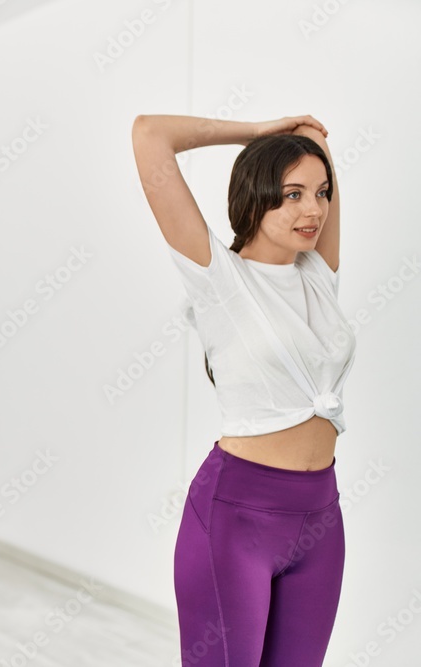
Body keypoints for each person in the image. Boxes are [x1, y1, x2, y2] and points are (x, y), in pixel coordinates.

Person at [132, 114, 356, 666]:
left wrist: (301, 145)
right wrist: (258, 131)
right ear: (255, 195)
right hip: (237, 520)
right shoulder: (219, 279)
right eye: (293, 195)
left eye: (321, 193)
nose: (314, 210)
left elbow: (317, 141)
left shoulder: (317, 275)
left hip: (320, 517)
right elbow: (148, 134)